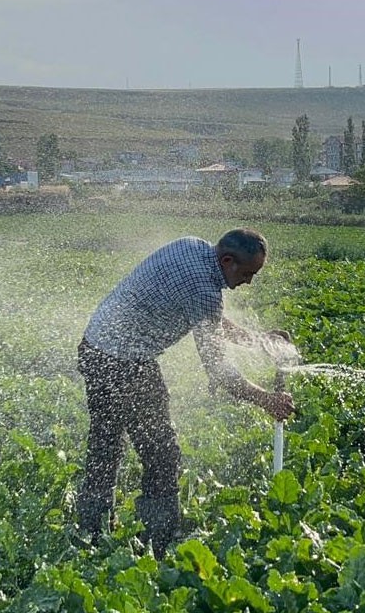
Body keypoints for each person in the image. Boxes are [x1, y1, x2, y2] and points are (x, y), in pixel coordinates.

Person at [74, 228, 296, 556]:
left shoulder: (192, 246)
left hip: (97, 348)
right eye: (248, 274)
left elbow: (209, 319)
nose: (249, 281)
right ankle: (156, 540)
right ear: (227, 261)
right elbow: (220, 372)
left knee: (107, 446)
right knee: (160, 455)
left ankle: (92, 532)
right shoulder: (205, 290)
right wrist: (267, 400)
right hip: (121, 361)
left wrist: (258, 341)